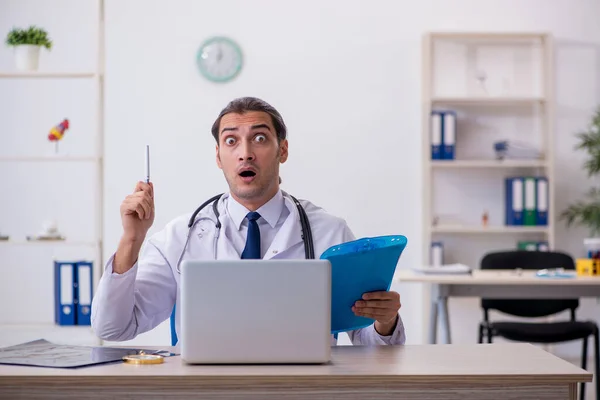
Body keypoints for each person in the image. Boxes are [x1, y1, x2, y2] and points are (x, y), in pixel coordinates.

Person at [91, 96, 406, 346]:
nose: (245, 153)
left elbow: (371, 346)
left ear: (282, 150)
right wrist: (132, 239)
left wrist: (384, 320)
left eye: (259, 138)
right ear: (218, 157)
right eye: (231, 141)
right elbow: (114, 327)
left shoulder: (329, 232)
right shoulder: (180, 237)